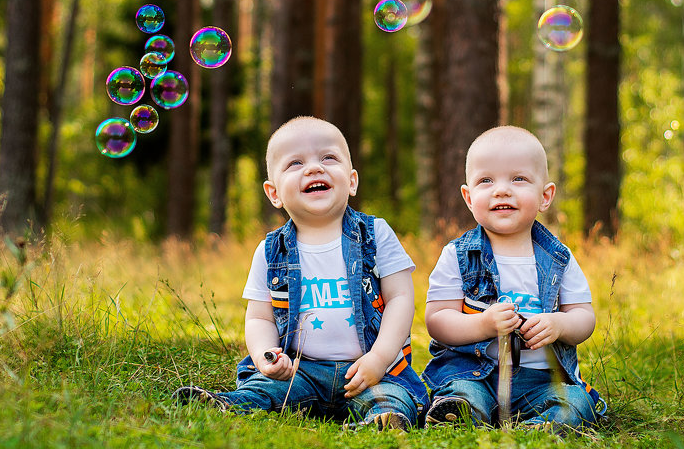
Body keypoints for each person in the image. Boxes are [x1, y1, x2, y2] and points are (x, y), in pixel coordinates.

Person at [174, 116, 428, 429]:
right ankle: (229, 404)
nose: (313, 168)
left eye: (328, 158)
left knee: (392, 395)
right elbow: (259, 318)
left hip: (373, 371)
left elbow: (401, 298)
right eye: (295, 163)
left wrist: (379, 358)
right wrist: (267, 357)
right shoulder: (270, 252)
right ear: (274, 193)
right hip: (302, 370)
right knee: (267, 390)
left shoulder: (375, 234)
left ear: (351, 180)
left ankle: (383, 418)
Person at [422, 125, 606, 432]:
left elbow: (584, 317)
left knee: (577, 402)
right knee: (461, 393)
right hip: (473, 374)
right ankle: (460, 413)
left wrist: (558, 324)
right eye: (486, 180)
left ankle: (540, 427)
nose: (501, 190)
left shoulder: (558, 258)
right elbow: (437, 321)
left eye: (518, 179)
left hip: (542, 382)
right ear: (469, 197)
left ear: (545, 196)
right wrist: (482, 325)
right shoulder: (457, 254)